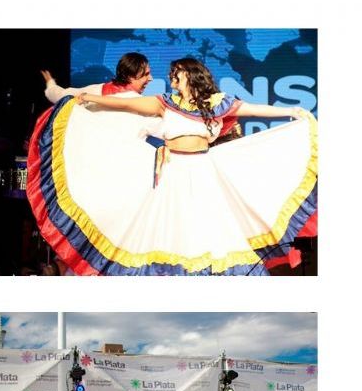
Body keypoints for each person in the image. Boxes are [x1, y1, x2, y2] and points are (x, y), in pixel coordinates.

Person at [28, 56, 317, 276]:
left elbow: (254, 109)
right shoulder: (164, 103)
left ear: (189, 74)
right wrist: (88, 97)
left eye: (174, 74)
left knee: (210, 231)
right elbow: (126, 106)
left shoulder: (217, 104)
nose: (169, 78)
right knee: (170, 230)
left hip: (204, 171)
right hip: (172, 173)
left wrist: (292, 111)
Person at [42, 51, 153, 103]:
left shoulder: (94, 92)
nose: (151, 78)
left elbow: (59, 95)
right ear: (130, 76)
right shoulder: (93, 92)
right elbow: (61, 96)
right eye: (146, 74)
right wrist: (51, 84)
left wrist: (51, 84)